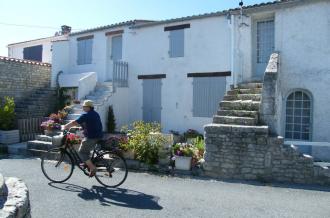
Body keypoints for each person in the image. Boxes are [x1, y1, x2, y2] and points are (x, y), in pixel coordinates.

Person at [63, 100, 103, 177]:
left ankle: (92, 168)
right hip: (98, 135)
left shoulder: (86, 115)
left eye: (84, 106)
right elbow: (91, 124)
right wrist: (83, 128)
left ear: (88, 107)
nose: (83, 107)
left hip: (92, 137)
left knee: (82, 152)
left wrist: (66, 126)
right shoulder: (95, 114)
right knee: (84, 145)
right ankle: (87, 163)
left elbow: (75, 122)